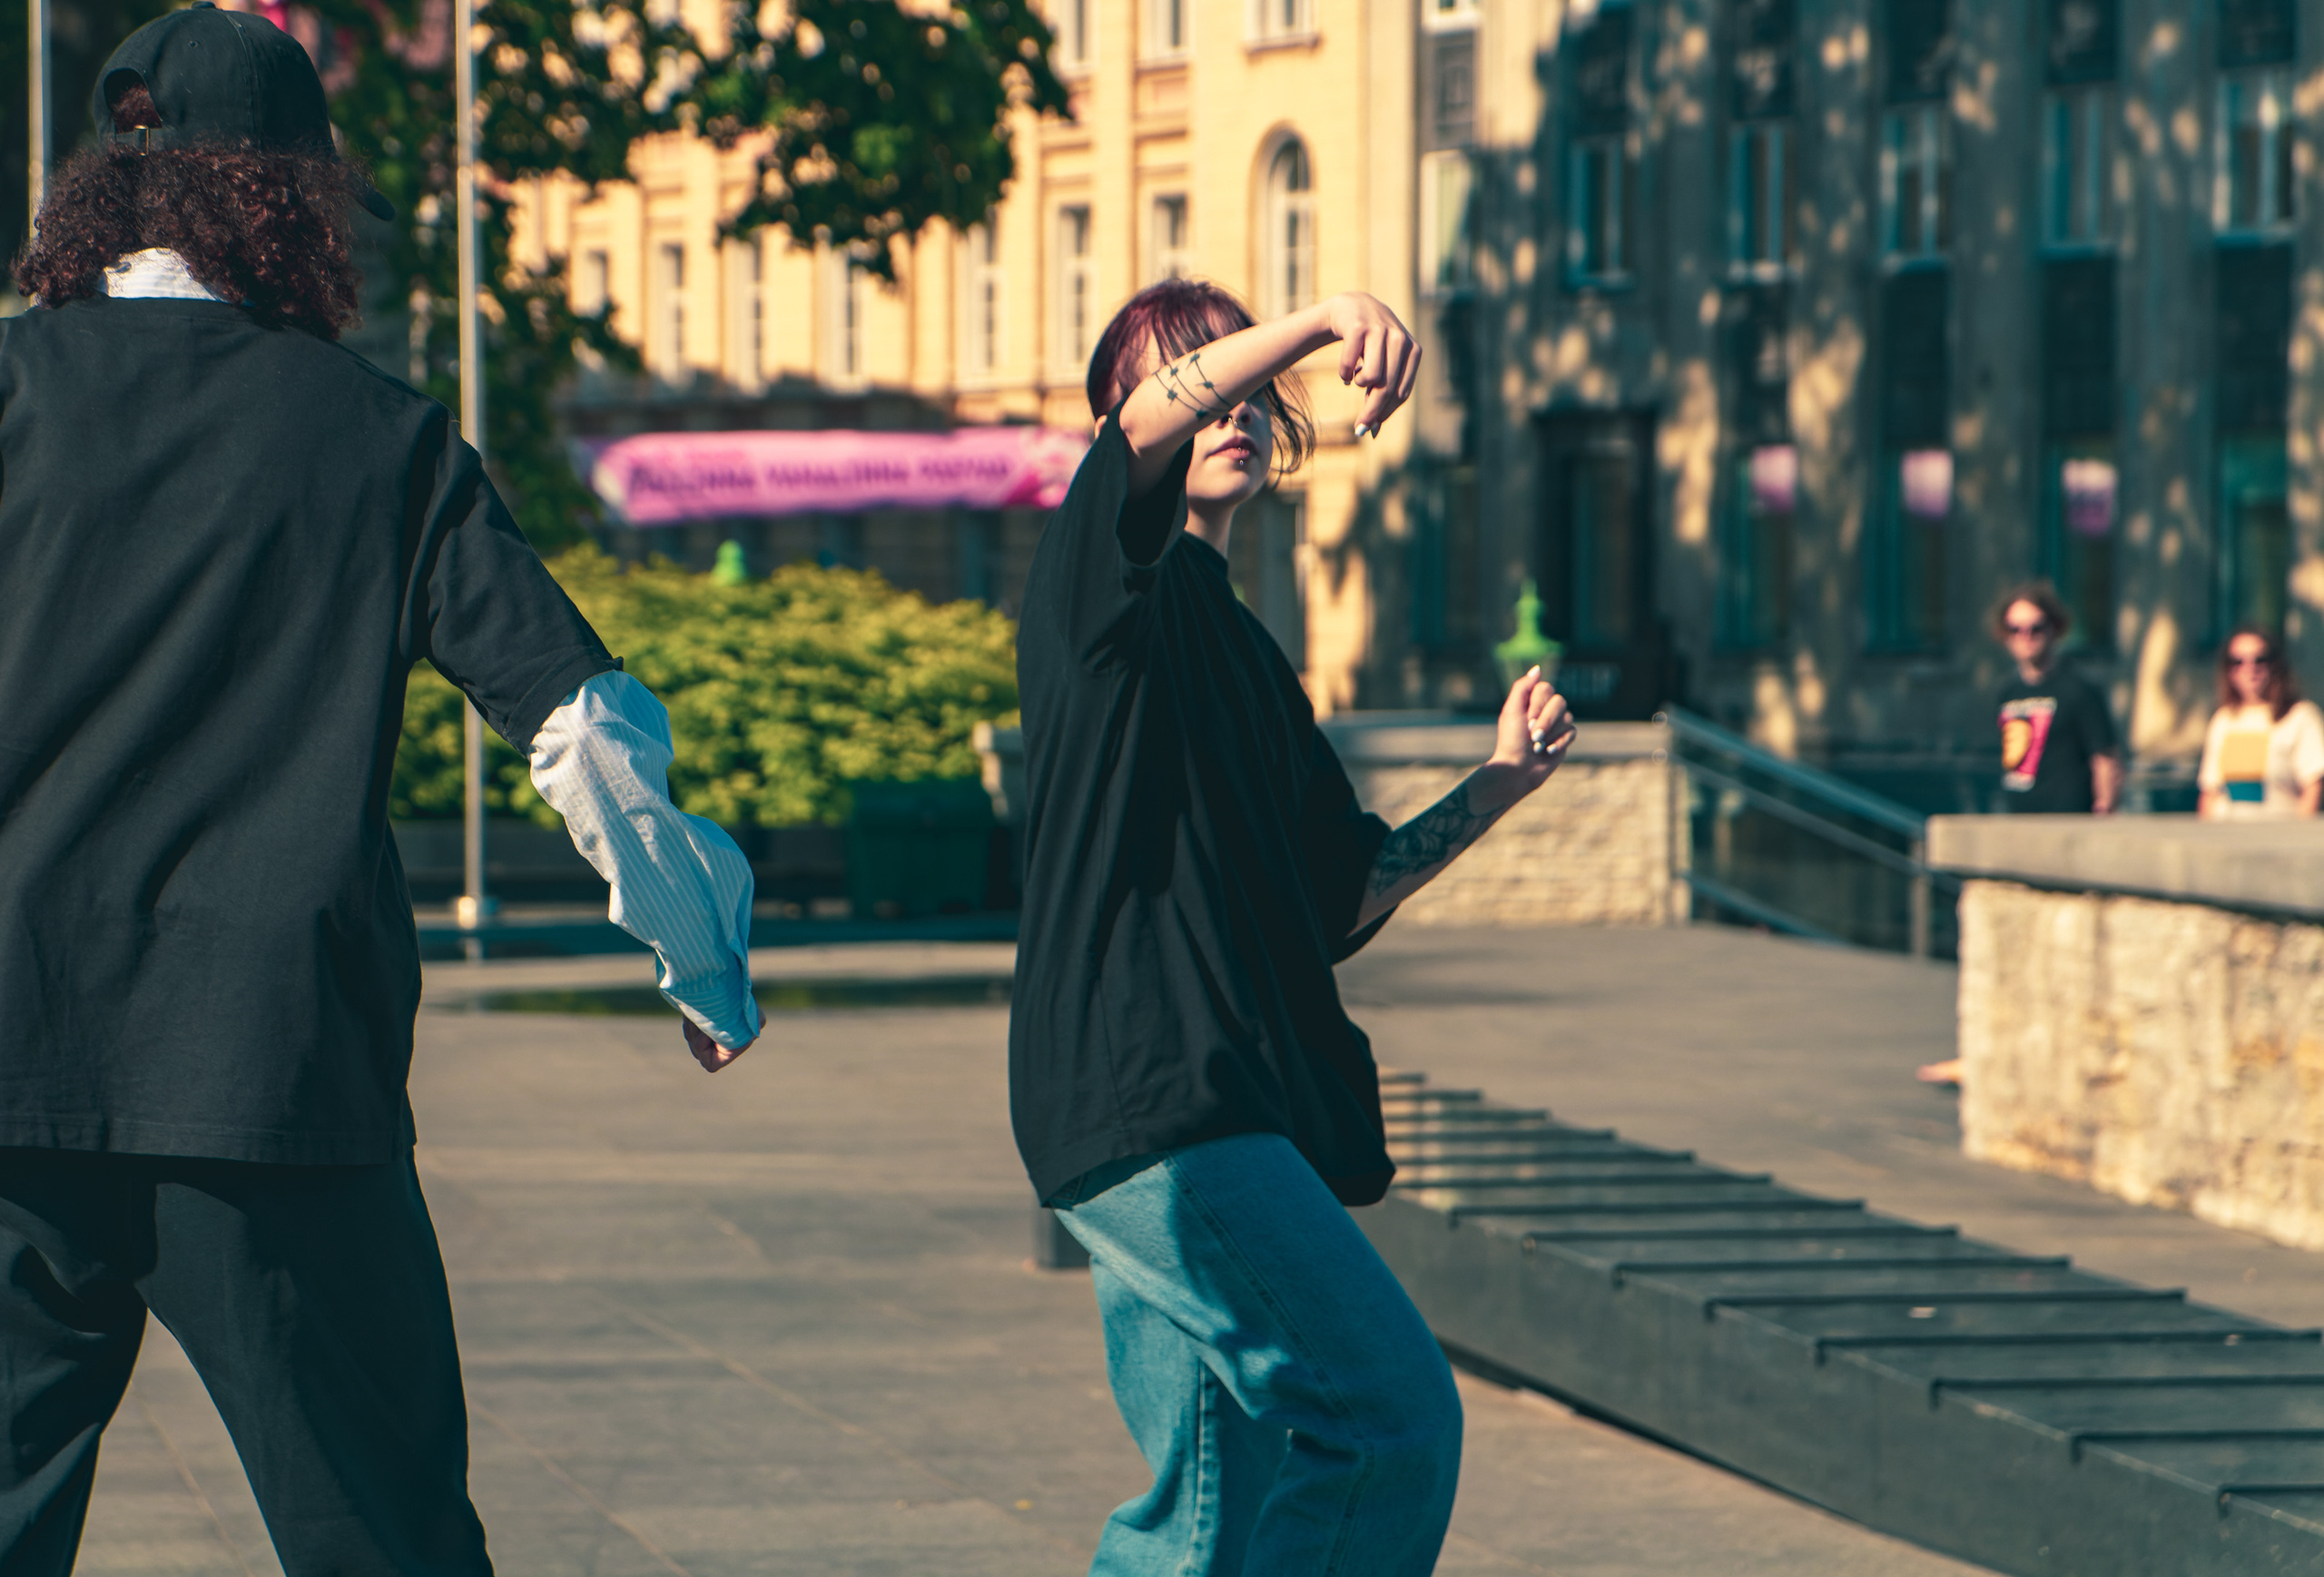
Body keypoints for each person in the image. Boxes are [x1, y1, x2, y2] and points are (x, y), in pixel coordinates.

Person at [0, 8, 760, 1571]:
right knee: (385, 1535)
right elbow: (581, 723)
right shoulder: (381, 439)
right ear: (292, 195)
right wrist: (704, 952)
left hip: (11, 1051)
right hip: (270, 1077)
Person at [1010, 276, 1577, 1577]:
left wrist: (1491, 789)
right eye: (1203, 376)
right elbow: (1149, 423)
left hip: (1221, 1100)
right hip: (1155, 1102)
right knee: (1383, 1418)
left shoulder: (1253, 654)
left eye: (1254, 386)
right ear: (1127, 416)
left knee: (1205, 1504)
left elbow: (1341, 896)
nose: (1238, 402)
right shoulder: (1102, 579)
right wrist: (1323, 320)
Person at [1992, 583, 2121, 815]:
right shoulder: (2007, 692)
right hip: (2017, 821)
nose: (2026, 636)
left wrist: (2105, 805)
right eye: (2015, 629)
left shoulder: (2079, 689)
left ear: (2055, 628)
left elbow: (2105, 757)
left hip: (2067, 822)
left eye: (2036, 628)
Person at [2198, 626, 2324, 818]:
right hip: (2228, 838)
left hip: (2278, 839)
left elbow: (2313, 787)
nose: (2250, 668)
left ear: (2275, 664)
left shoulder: (2301, 717)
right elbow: (2210, 791)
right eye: (2238, 661)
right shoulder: (2223, 720)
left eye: (2260, 659)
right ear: (2228, 670)